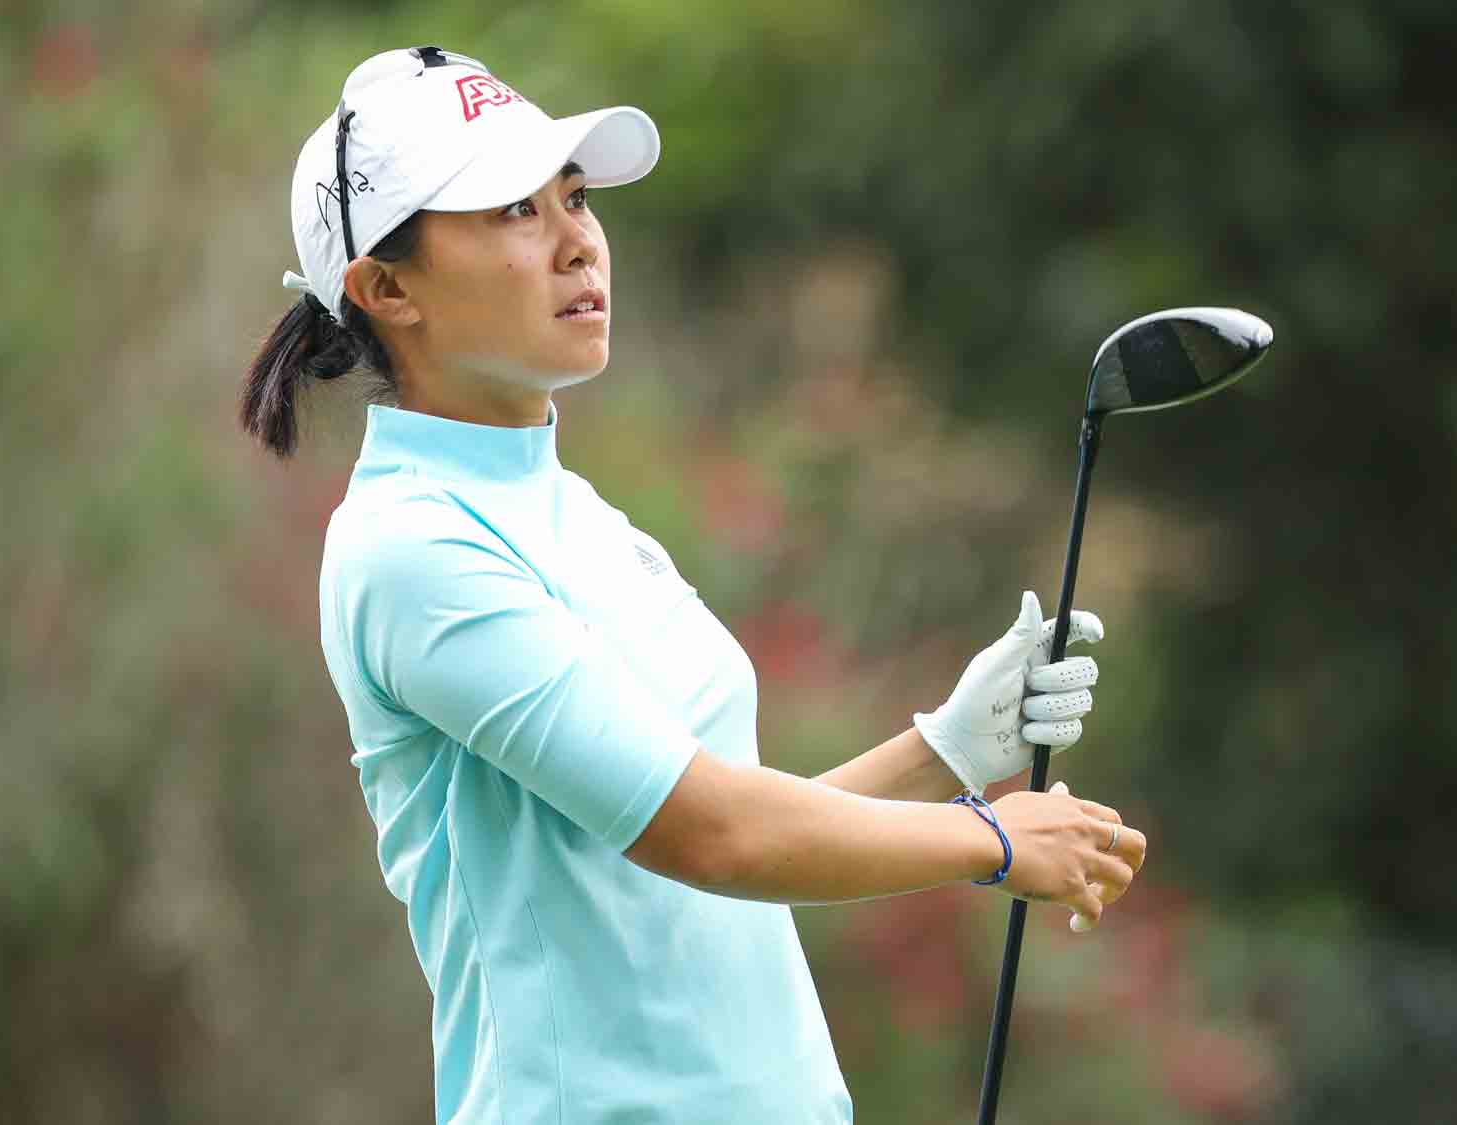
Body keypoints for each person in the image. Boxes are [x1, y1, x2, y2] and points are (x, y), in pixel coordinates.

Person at [239, 46, 1148, 1125]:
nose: (578, 241)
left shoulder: (585, 522)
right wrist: (993, 843)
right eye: (512, 213)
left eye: (573, 198)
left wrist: (940, 751)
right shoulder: (409, 547)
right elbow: (710, 836)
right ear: (386, 289)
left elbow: (713, 869)